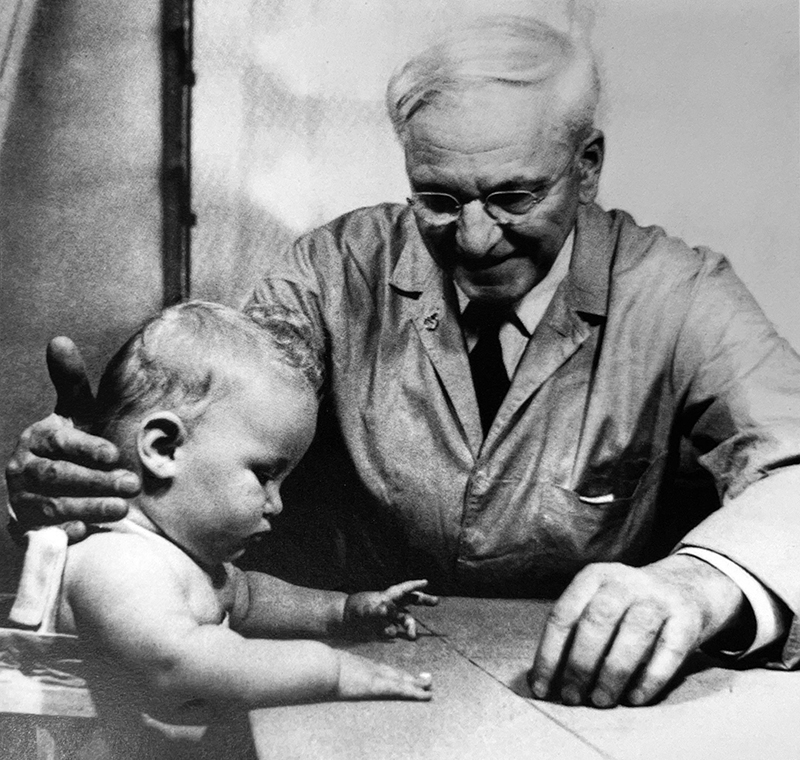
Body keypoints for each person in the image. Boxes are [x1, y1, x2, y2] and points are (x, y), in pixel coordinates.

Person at [7, 16, 800, 710]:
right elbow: (207, 433)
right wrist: (103, 478)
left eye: (516, 198)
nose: (479, 239)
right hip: (347, 685)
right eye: (441, 201)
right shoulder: (334, 270)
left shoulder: (683, 294)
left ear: (588, 164)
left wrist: (697, 585)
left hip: (578, 696)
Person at [48, 301, 435, 757]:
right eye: (264, 476)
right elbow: (181, 662)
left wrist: (343, 612)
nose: (277, 504)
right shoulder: (115, 560)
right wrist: (333, 672)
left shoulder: (182, 560)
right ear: (164, 449)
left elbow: (250, 597)